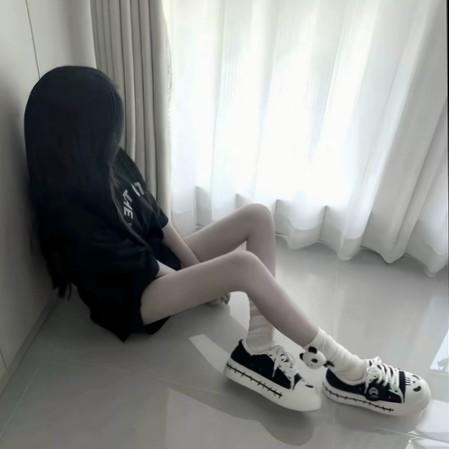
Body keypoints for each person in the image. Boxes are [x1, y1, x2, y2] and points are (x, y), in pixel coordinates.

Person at [24, 65, 431, 416]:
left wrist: (196, 270)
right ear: (79, 135)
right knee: (242, 267)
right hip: (134, 298)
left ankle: (260, 345)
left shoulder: (110, 159)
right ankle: (348, 370)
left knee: (258, 215)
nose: (116, 135)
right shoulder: (72, 212)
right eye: (108, 128)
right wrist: (201, 284)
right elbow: (139, 267)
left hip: (154, 263)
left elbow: (158, 220)